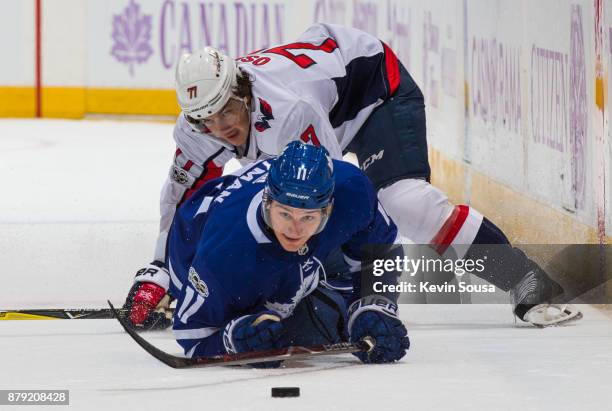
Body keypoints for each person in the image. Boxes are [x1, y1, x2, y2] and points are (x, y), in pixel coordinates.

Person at [123, 23, 580, 329]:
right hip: (329, 99)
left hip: (376, 92)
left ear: (242, 91)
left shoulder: (288, 110)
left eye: (225, 110)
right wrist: (161, 271)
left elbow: (334, 199)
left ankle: (525, 279)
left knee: (406, 203)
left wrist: (311, 287)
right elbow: (181, 201)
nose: (219, 127)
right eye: (206, 119)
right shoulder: (197, 128)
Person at [159, 142, 408, 364]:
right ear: (268, 201)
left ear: (329, 209)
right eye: (285, 213)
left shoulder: (351, 191)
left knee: (344, 312)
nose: (295, 229)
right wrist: (234, 339)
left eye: (308, 217)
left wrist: (374, 305)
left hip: (292, 257)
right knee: (278, 332)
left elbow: (379, 252)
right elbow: (192, 335)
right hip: (201, 250)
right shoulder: (224, 258)